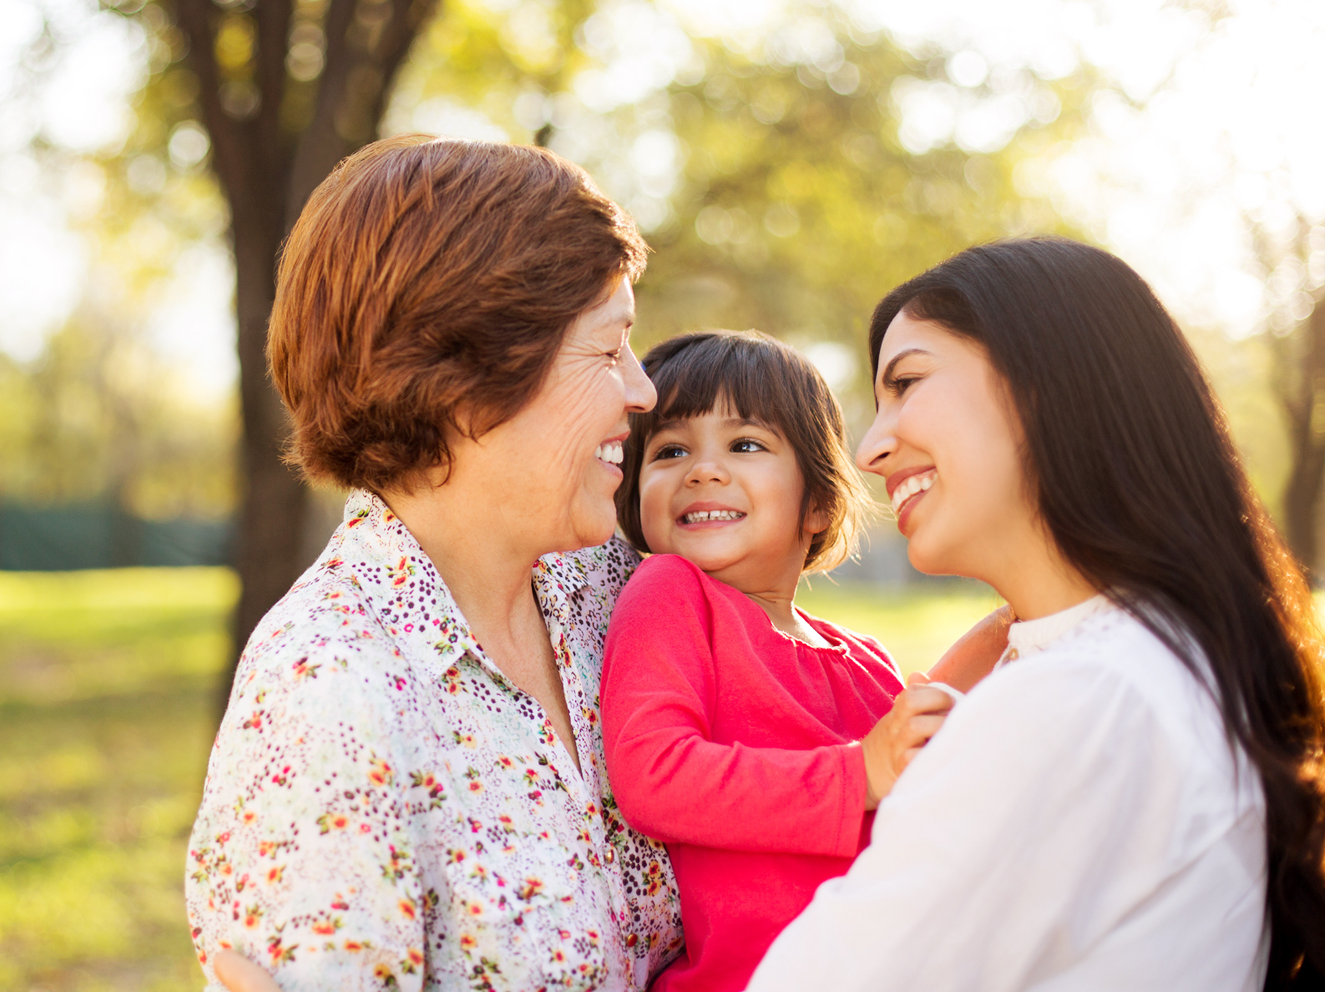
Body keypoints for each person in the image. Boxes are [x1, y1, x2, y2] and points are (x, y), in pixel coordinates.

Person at [746, 237, 1325, 990]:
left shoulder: (1082, 698)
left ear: (1048, 383)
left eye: (908, 383)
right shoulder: (1163, 660)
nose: (870, 449)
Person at [184, 134, 683, 991]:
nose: (644, 391)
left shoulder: (612, 591)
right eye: (607, 351)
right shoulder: (328, 690)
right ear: (468, 377)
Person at [598, 330, 959, 990]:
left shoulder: (866, 658)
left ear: (817, 502)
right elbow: (654, 774)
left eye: (745, 445)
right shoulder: (673, 594)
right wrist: (859, 774)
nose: (702, 471)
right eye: (671, 450)